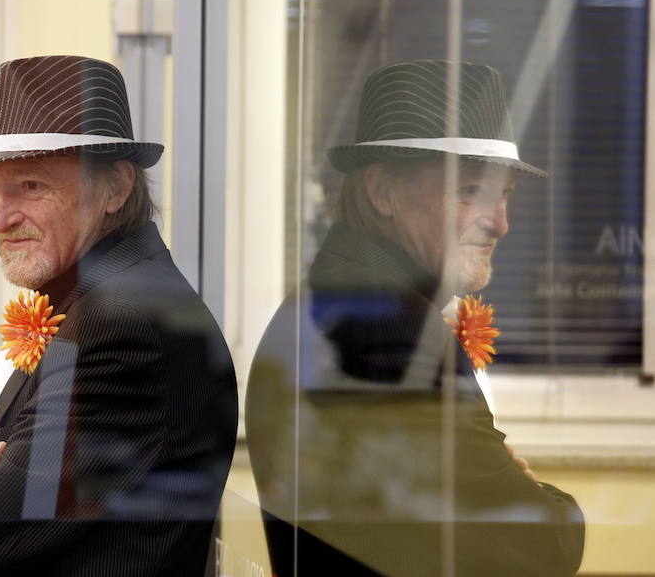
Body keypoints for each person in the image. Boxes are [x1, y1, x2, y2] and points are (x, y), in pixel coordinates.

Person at [0, 55, 238, 577]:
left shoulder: (122, 324)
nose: (1, 217)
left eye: (31, 185)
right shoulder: (85, 302)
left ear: (116, 189)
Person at [245, 60, 585, 576]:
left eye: (504, 196)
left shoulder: (347, 300)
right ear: (383, 191)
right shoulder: (385, 329)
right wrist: (555, 506)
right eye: (472, 190)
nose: (500, 223)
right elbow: (536, 550)